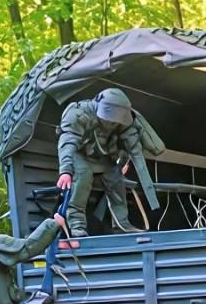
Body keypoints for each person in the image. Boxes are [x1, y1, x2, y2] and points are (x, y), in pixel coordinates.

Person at [56, 87, 165, 237]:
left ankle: (121, 224)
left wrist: (123, 162)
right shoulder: (79, 114)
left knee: (116, 181)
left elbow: (130, 145)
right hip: (80, 155)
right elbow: (68, 142)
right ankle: (76, 225)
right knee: (81, 178)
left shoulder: (123, 120)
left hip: (104, 157)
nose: (112, 122)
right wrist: (65, 171)